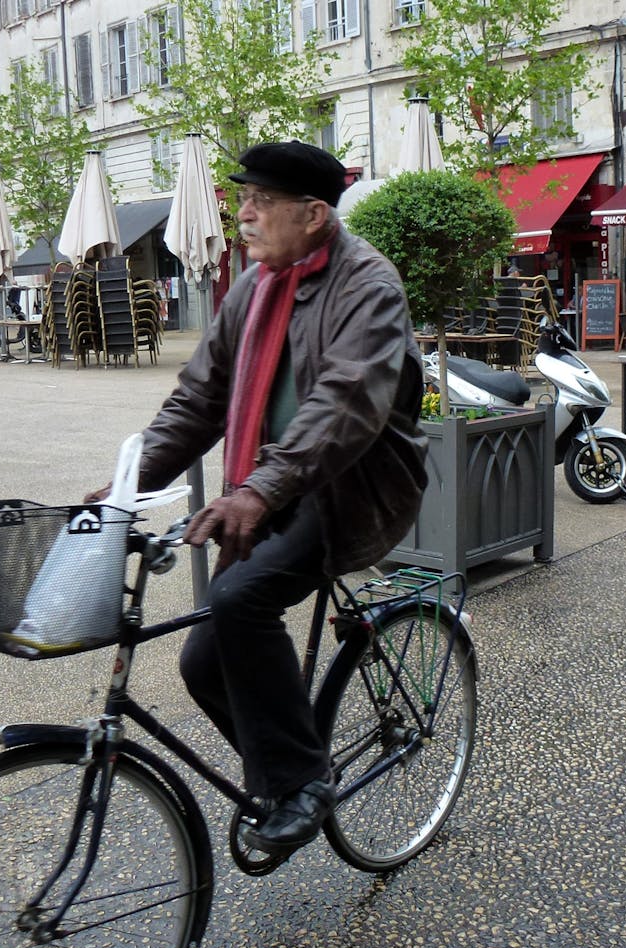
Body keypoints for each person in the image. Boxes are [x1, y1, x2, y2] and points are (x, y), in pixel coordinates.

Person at [87, 141, 428, 854]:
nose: (243, 213)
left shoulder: (368, 283)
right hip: (264, 488)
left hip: (346, 488)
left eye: (260, 202)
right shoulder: (253, 286)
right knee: (201, 662)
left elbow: (344, 403)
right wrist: (131, 481)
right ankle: (286, 768)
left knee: (240, 602)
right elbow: (200, 398)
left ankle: (303, 783)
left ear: (312, 215)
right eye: (241, 199)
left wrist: (262, 489)